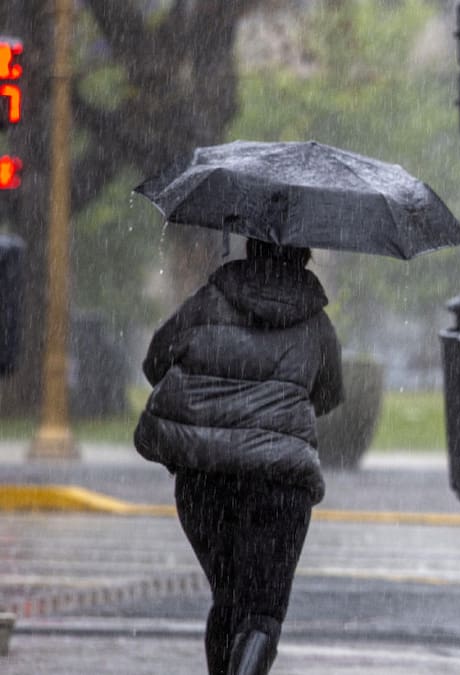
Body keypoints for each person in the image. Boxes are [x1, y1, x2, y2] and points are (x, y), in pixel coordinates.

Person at [134, 238, 343, 675]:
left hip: (204, 479)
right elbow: (327, 396)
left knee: (228, 599)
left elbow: (155, 363)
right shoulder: (317, 323)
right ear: (304, 253)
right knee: (262, 611)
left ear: (250, 245)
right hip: (280, 485)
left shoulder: (206, 302)